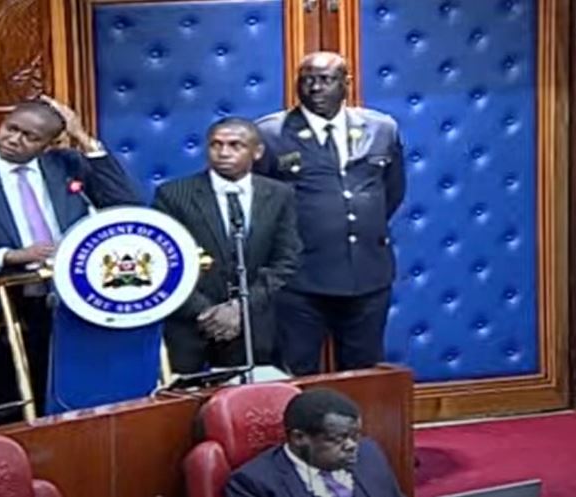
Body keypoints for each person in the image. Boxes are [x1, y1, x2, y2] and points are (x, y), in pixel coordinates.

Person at [0, 96, 142, 413]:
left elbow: (126, 206)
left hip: (72, 299)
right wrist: (9, 255)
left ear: (50, 143)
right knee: (15, 398)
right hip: (2, 305)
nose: (14, 139)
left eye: (30, 137)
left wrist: (83, 139)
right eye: (11, 128)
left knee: (76, 396)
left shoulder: (67, 163)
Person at [254, 52, 406, 375]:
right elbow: (259, 203)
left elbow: (392, 193)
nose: (314, 88)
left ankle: (357, 427)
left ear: (346, 84)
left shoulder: (381, 128)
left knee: (364, 373)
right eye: (306, 79)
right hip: (299, 280)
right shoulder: (269, 134)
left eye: (325, 80)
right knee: (295, 372)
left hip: (367, 274)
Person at [152, 118, 301, 373]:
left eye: (235, 145)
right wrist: (207, 312)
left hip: (253, 325)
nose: (223, 153)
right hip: (191, 324)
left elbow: (286, 260)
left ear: (257, 152)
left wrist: (241, 308)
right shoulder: (174, 194)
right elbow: (162, 262)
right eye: (216, 145)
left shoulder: (279, 194)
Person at [225, 388, 405, 497]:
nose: (352, 445)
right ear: (299, 438)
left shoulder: (369, 452)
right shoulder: (253, 484)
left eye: (355, 435)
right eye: (338, 438)